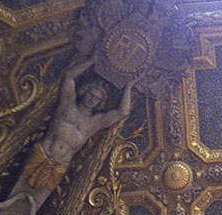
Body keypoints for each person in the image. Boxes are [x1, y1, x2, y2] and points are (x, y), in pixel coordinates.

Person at [22, 59, 142, 191]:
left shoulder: (96, 121)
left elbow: (123, 112)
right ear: (84, 91)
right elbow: (69, 76)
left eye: (97, 98)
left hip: (60, 164)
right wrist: (92, 60)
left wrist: (129, 87)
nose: (92, 99)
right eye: (91, 94)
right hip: (41, 153)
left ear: (100, 102)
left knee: (34, 204)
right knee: (18, 189)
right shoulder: (68, 103)